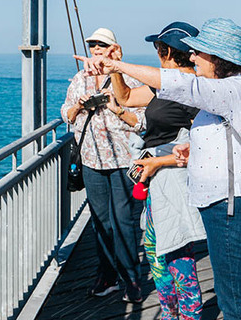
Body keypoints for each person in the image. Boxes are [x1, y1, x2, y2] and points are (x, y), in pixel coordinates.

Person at [75, 17, 241, 320]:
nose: (193, 57)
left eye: (201, 52)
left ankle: (186, 314)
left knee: (237, 302)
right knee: (227, 291)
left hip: (235, 203)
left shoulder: (232, 89)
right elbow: (134, 98)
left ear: (217, 58)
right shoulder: (224, 89)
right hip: (221, 202)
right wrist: (187, 147)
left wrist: (116, 66)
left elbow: (179, 83)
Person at [104, 22, 206, 320]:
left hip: (175, 177)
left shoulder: (194, 90)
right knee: (155, 249)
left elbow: (204, 146)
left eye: (159, 49)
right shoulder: (167, 84)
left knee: (177, 252)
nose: (157, 54)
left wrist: (157, 162)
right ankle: (169, 313)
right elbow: (125, 98)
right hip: (157, 180)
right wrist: (115, 68)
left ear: (169, 52)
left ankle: (189, 315)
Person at [61, 27, 145, 303]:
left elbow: (142, 118)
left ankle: (131, 277)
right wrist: (80, 107)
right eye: (93, 46)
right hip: (91, 160)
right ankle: (107, 274)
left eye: (102, 46)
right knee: (101, 221)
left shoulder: (128, 77)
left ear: (114, 49)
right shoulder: (80, 78)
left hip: (123, 160)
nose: (96, 50)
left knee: (123, 219)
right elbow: (67, 113)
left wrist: (115, 107)